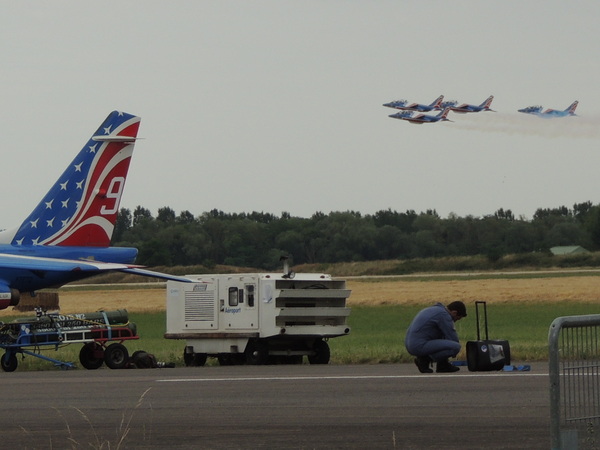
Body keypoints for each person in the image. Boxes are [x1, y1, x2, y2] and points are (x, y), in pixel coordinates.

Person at [404, 301, 467, 373]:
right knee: (455, 347)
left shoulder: (434, 310)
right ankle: (424, 360)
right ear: (454, 313)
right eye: (457, 318)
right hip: (418, 345)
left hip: (411, 343)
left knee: (443, 337)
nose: (455, 321)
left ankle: (443, 365)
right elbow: (452, 337)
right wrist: (454, 352)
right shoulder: (444, 315)